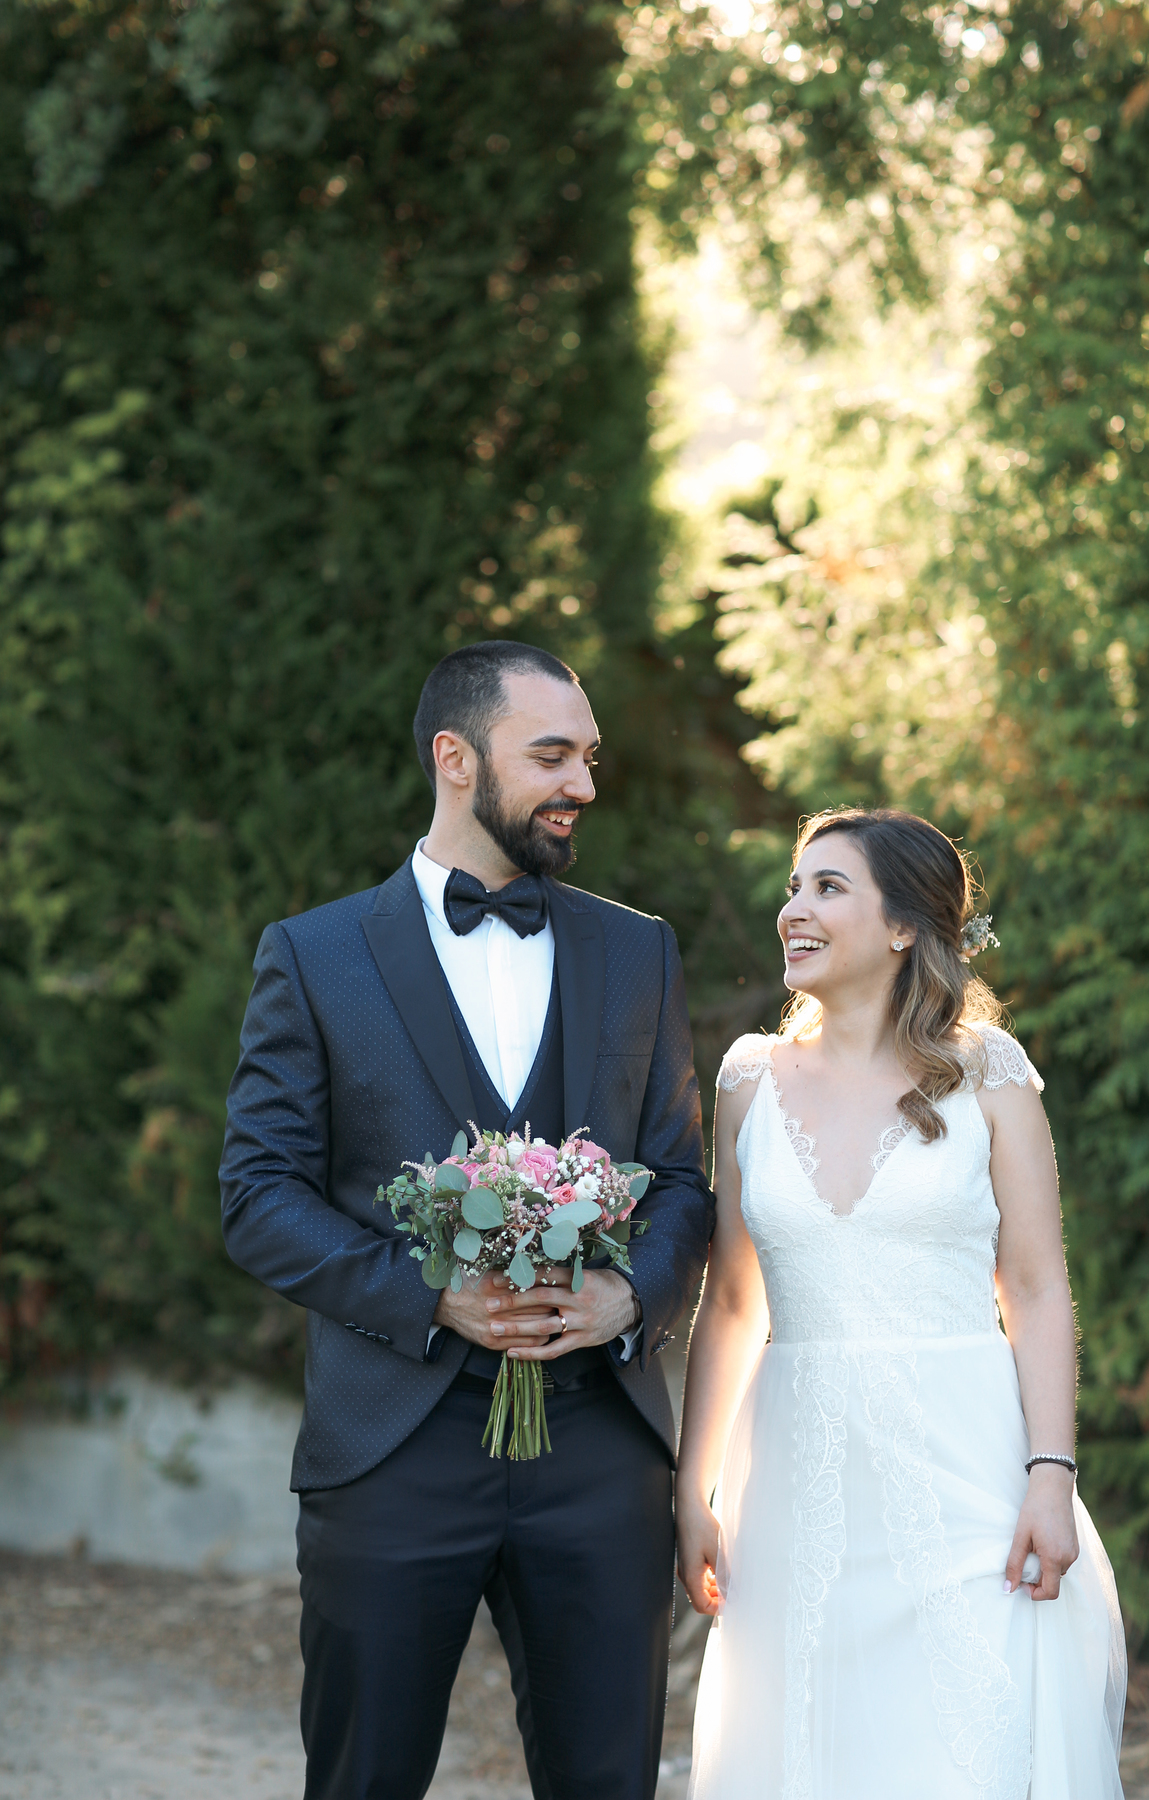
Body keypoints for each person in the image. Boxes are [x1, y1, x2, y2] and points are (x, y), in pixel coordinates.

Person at [220, 641, 713, 1800]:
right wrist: (426, 1291)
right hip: (393, 1444)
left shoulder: (639, 950)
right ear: (455, 758)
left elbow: (682, 1181)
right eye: (552, 756)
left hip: (600, 1446)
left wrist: (630, 1292)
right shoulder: (315, 954)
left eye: (590, 757)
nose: (583, 784)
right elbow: (258, 1197)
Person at [676, 807, 1126, 1800]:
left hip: (968, 1472)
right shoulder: (749, 1079)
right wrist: (693, 1487)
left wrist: (1049, 1475)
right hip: (799, 1483)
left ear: (905, 927)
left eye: (827, 888)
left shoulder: (990, 1075)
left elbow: (1040, 1288)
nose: (794, 909)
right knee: (815, 1748)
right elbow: (734, 1301)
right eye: (794, 887)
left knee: (972, 1744)